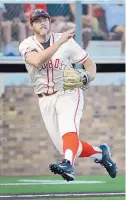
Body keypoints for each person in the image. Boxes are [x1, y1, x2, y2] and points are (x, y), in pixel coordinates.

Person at [19, 9, 117, 181]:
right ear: (30, 25)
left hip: (68, 92)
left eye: (45, 19)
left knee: (68, 132)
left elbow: (89, 63)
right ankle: (101, 153)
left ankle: (68, 165)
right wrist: (60, 43)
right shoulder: (27, 44)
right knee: (68, 147)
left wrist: (88, 76)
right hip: (45, 99)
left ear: (50, 22)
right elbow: (37, 60)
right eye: (37, 20)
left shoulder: (66, 41)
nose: (42, 23)